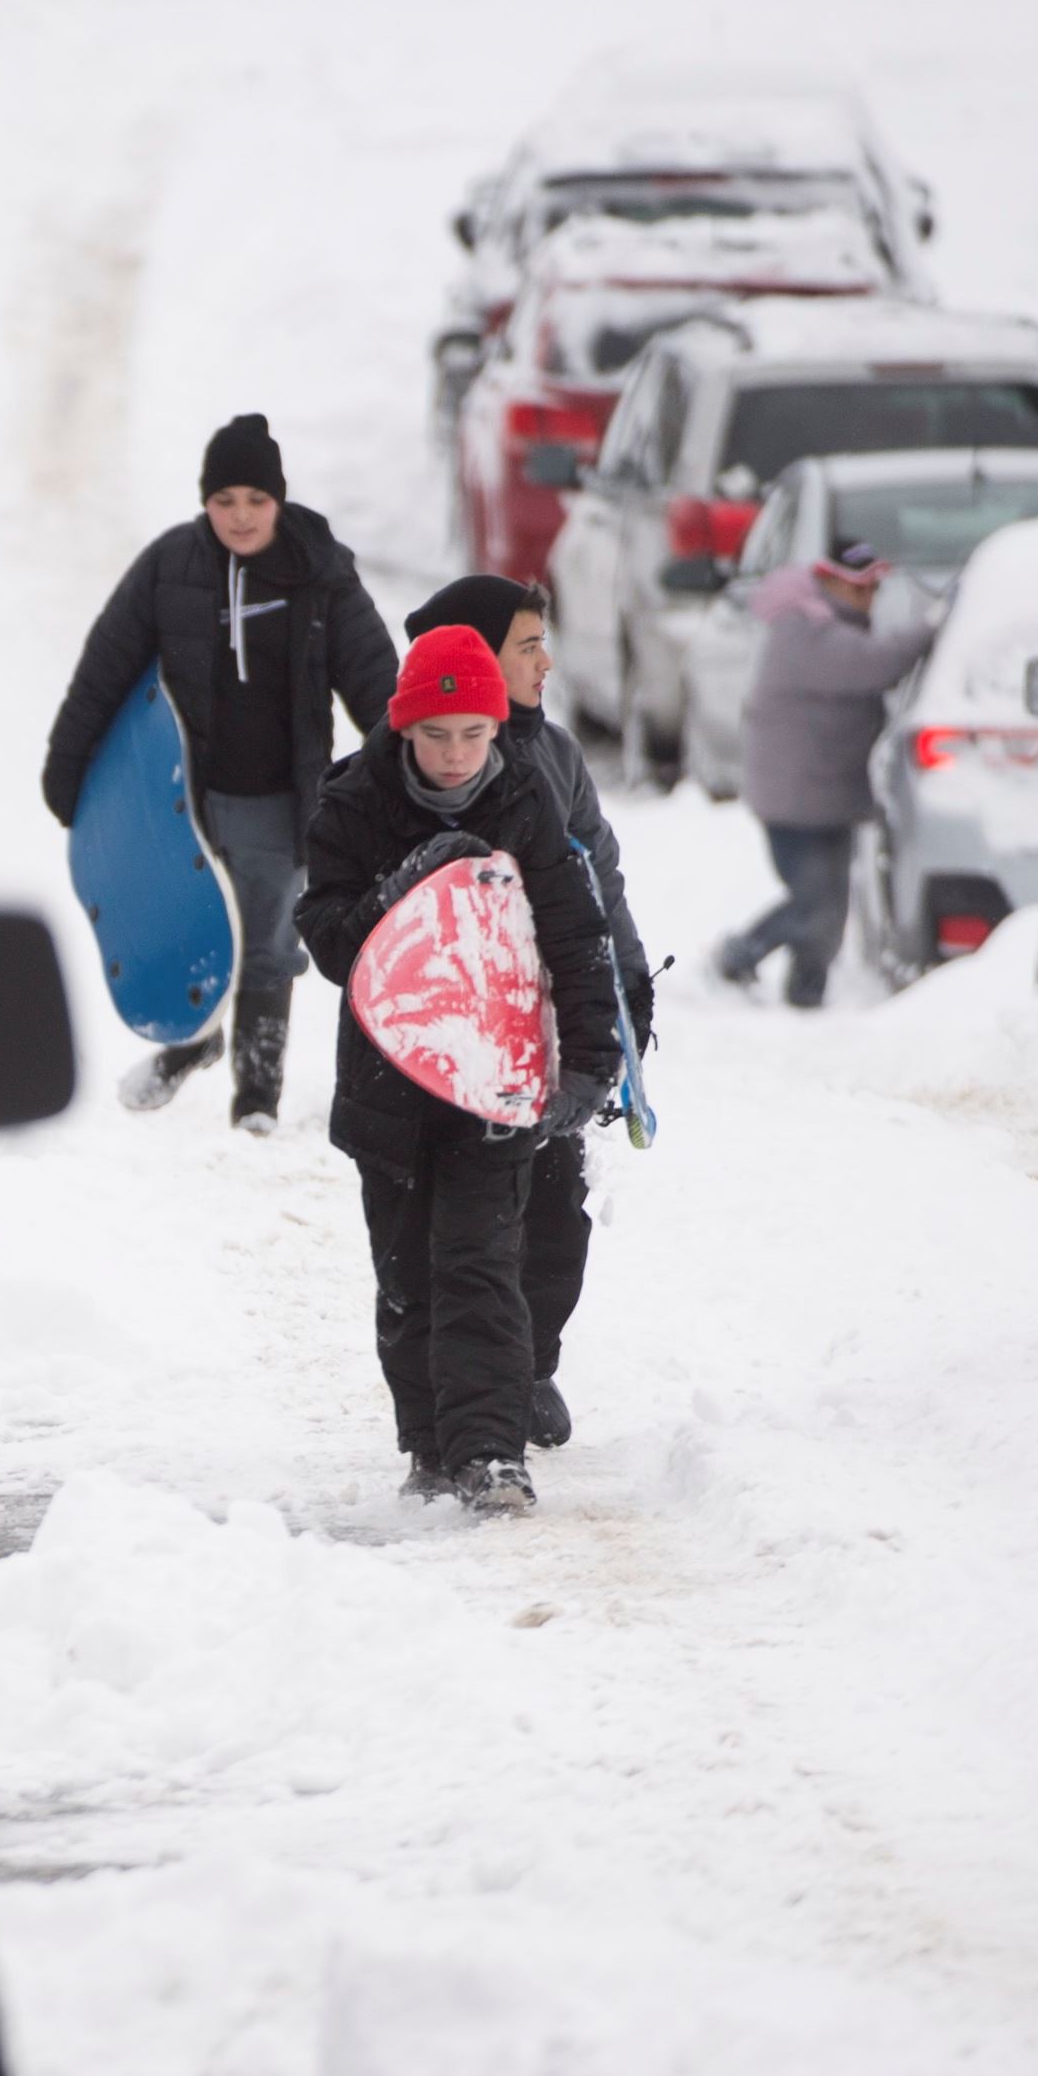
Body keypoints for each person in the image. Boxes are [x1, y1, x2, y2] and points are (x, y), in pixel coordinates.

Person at [295, 625, 624, 1517]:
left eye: (472, 733)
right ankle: (430, 1446)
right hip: (390, 1080)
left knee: (481, 1260)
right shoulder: (353, 802)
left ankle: (489, 1453)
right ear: (403, 728)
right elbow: (327, 937)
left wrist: (594, 1061)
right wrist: (408, 882)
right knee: (408, 1270)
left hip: (498, 1074)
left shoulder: (523, 800)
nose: (453, 754)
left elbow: (574, 935)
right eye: (434, 734)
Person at [43, 413, 403, 1131]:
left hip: (281, 796)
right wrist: (71, 763)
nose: (240, 516)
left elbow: (375, 681)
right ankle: (192, 1042)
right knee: (194, 922)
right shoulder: (171, 566)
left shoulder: (320, 570)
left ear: (280, 500)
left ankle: (256, 1098)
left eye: (256, 501)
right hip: (188, 794)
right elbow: (105, 670)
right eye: (224, 500)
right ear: (206, 501)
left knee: (269, 940)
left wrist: (403, 769)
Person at [401, 573, 651, 1451]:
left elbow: (597, 877)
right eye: (527, 645)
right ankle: (471, 1399)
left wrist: (623, 985)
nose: (546, 661)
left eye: (543, 642)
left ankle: (532, 1361)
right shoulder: (430, 760)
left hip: (554, 1026)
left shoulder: (556, 753)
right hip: (468, 1038)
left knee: (555, 1214)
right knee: (467, 1232)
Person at [717, 535, 932, 1008]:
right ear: (832, 582)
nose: (870, 600)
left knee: (828, 909)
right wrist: (931, 627)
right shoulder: (806, 631)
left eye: (876, 589)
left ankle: (806, 995)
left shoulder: (825, 624)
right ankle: (739, 956)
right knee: (815, 904)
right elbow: (876, 664)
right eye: (864, 589)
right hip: (795, 801)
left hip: (822, 797)